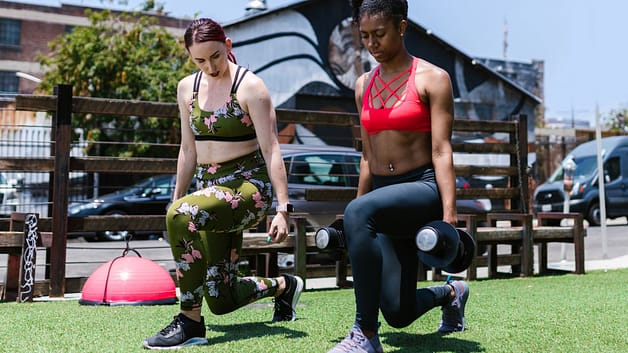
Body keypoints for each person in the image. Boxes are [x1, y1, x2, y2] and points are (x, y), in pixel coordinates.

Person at [143, 18, 303, 350]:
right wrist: (176, 202)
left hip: (247, 189)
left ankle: (189, 321)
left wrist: (283, 210)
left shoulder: (251, 87)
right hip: (209, 190)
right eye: (199, 60)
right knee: (221, 298)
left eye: (215, 56)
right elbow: (188, 150)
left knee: (182, 214)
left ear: (227, 45)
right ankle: (284, 287)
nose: (210, 66)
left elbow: (272, 148)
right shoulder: (186, 87)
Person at [327, 1, 469, 352]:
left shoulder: (433, 79)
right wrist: (352, 212)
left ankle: (365, 335)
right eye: (364, 36)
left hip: (421, 188)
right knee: (398, 313)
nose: (372, 44)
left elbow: (441, 150)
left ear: (402, 27)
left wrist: (449, 217)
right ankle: (453, 293)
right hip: (383, 198)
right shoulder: (363, 84)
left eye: (380, 34)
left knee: (362, 212)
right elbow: (366, 156)